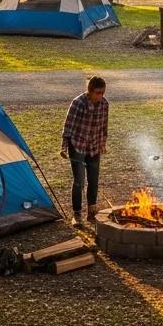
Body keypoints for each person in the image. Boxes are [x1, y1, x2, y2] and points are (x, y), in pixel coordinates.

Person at [60, 76, 108, 227]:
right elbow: (68, 126)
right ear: (90, 91)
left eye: (103, 92)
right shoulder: (78, 103)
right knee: (79, 181)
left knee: (93, 181)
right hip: (78, 145)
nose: (100, 96)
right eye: (98, 93)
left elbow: (104, 126)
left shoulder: (105, 104)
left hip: (94, 147)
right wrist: (64, 147)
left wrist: (102, 142)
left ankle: (92, 213)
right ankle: (77, 214)